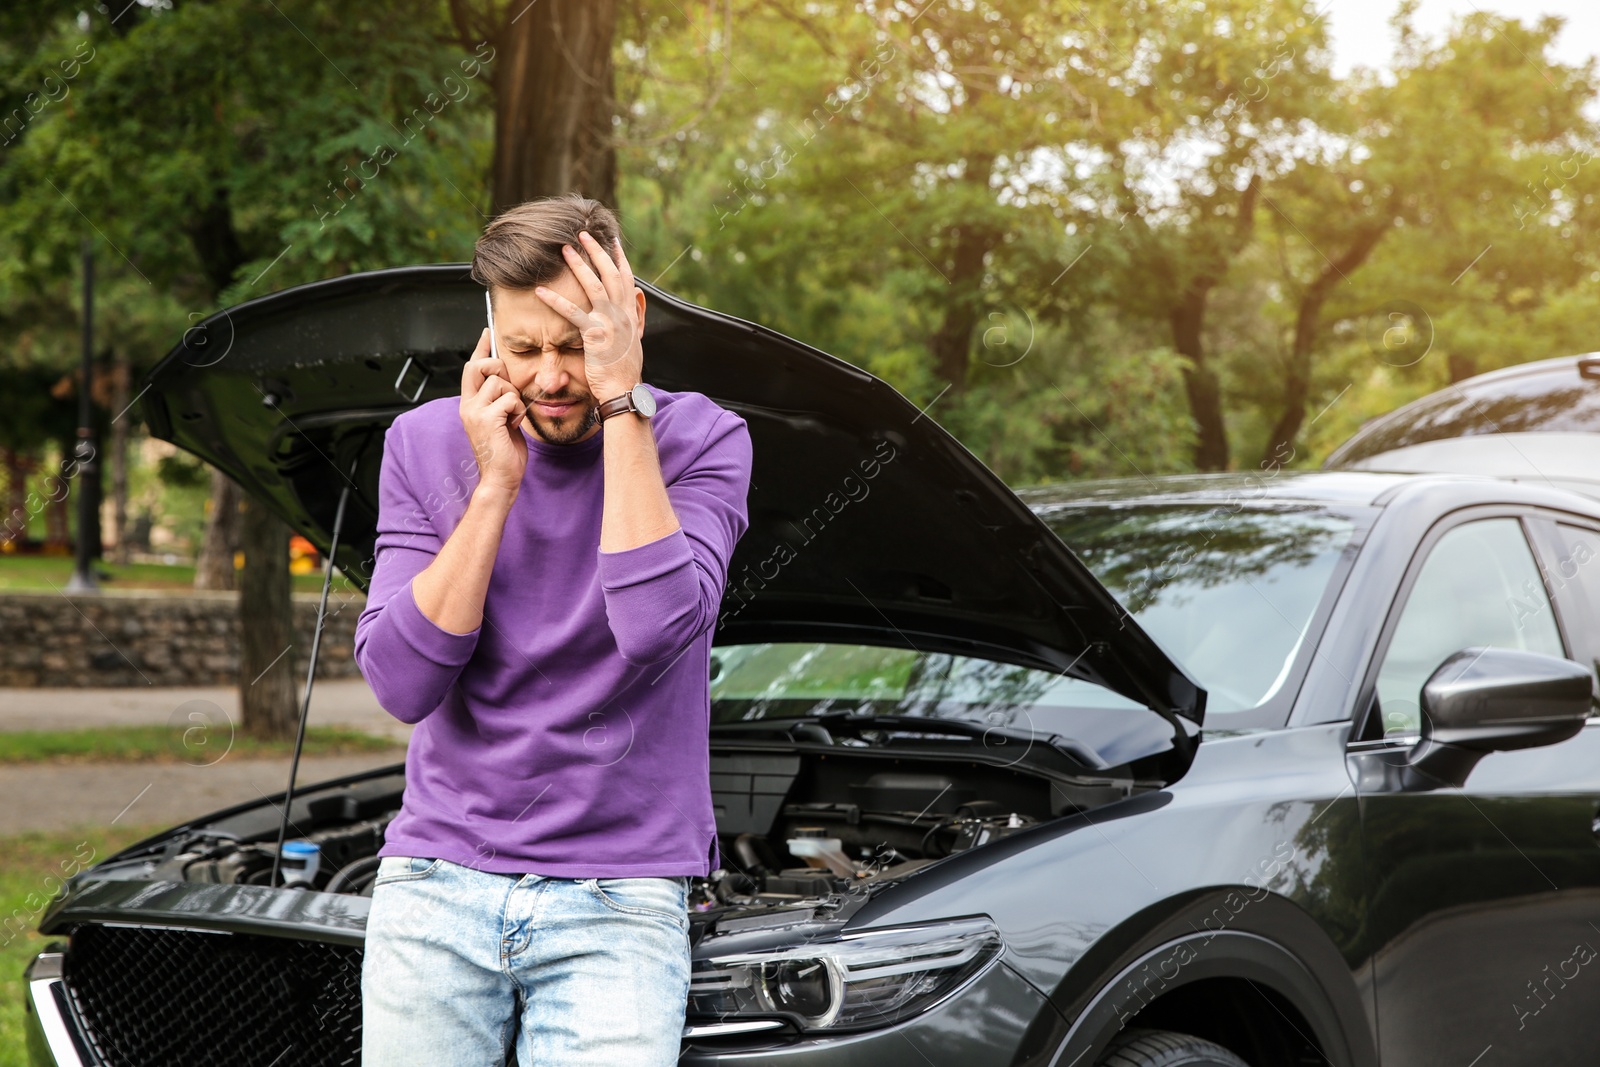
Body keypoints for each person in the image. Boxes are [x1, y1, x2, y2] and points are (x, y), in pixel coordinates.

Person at [353, 193, 753, 1065]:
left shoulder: (704, 440)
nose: (550, 376)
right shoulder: (425, 443)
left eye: (575, 345)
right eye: (523, 347)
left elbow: (653, 629)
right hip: (436, 882)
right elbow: (402, 684)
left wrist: (624, 408)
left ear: (630, 318)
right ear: (488, 337)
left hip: (621, 896)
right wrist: (494, 484)